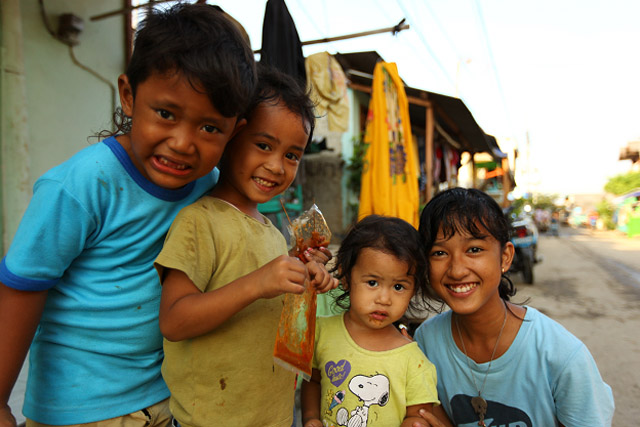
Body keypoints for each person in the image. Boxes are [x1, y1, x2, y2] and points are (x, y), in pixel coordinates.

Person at [0, 4, 257, 426]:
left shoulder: (209, 185)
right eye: (166, 114)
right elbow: (22, 287)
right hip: (82, 408)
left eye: (209, 128)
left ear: (234, 131)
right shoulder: (82, 184)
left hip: (167, 397)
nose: (182, 143)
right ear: (129, 95)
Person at [154, 64, 338, 427]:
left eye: (291, 155)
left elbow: (271, 291)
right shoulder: (200, 221)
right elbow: (173, 321)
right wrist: (258, 283)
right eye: (264, 145)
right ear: (231, 136)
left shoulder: (270, 231)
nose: (276, 166)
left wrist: (302, 273)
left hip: (271, 415)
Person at [413, 187, 614, 426]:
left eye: (474, 250)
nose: (457, 270)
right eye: (439, 253)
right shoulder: (427, 341)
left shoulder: (560, 354)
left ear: (505, 257)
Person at [301, 215, 452, 427]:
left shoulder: (414, 361)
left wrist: (415, 422)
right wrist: (310, 417)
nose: (384, 299)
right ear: (345, 277)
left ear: (413, 291)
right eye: (372, 282)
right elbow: (314, 380)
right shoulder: (322, 331)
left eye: (399, 287)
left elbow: (420, 415)